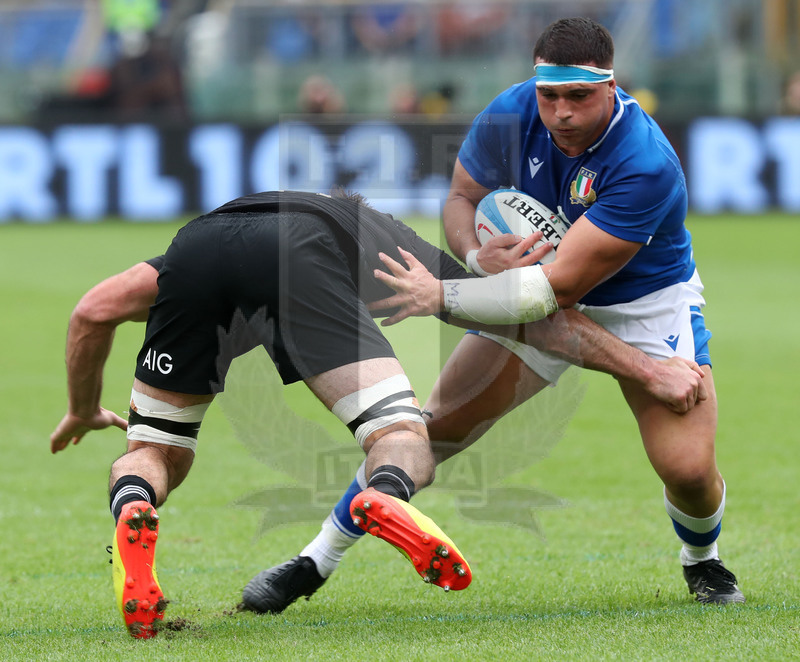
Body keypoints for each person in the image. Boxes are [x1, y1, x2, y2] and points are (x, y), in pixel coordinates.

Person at [245, 16, 745, 610]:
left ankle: (703, 562)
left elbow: (554, 295)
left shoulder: (645, 163)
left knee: (686, 469)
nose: (560, 112)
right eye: (549, 95)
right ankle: (313, 560)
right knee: (429, 436)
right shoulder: (512, 111)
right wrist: (476, 255)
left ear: (613, 88)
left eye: (579, 97)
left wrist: (443, 295)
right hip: (530, 288)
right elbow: (461, 198)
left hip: (640, 302)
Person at [52, 191, 709, 632]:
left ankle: (134, 507)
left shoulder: (205, 243)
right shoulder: (394, 246)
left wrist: (84, 409)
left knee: (158, 453)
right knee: (400, 433)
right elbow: (538, 325)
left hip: (197, 246)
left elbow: (92, 311)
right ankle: (385, 493)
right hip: (305, 254)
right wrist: (646, 368)